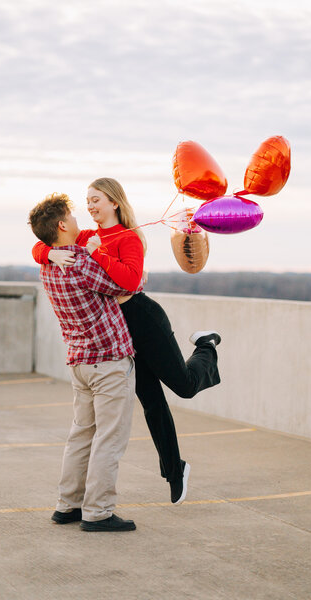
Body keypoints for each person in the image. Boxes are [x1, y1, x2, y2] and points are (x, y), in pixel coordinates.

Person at [32, 178, 221, 506]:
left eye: (97, 200)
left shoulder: (128, 237)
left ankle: (206, 346)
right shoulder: (88, 235)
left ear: (114, 203)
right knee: (151, 402)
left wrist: (96, 257)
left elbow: (131, 280)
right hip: (121, 330)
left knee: (185, 387)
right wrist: (49, 253)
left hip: (144, 319)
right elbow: (40, 242)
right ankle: (175, 470)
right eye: (87, 201)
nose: (90, 206)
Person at [28, 193, 141, 532]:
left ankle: (68, 505)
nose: (80, 221)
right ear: (62, 225)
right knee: (109, 439)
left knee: (80, 436)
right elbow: (124, 285)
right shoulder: (80, 261)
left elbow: (41, 251)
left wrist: (49, 249)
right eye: (72, 217)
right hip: (108, 363)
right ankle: (98, 512)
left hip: (80, 362)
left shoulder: (49, 266)